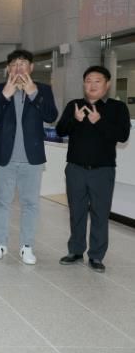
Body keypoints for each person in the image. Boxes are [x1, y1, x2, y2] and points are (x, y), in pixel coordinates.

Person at [56, 66, 130, 273]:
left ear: (107, 84)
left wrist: (100, 122)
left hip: (103, 171)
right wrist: (75, 119)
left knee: (100, 213)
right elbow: (60, 130)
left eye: (97, 81)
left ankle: (96, 256)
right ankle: (75, 251)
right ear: (84, 84)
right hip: (75, 169)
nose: (92, 85)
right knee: (76, 212)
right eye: (88, 81)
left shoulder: (117, 108)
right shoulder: (74, 105)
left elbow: (123, 135)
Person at [0, 49, 58, 265]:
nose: (18, 68)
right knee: (2, 202)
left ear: (31, 67)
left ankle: (27, 246)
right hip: (5, 156)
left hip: (32, 157)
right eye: (14, 64)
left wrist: (33, 93)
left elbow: (51, 116)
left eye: (23, 63)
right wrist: (5, 96)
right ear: (8, 68)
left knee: (30, 204)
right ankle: (0, 243)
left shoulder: (43, 89)